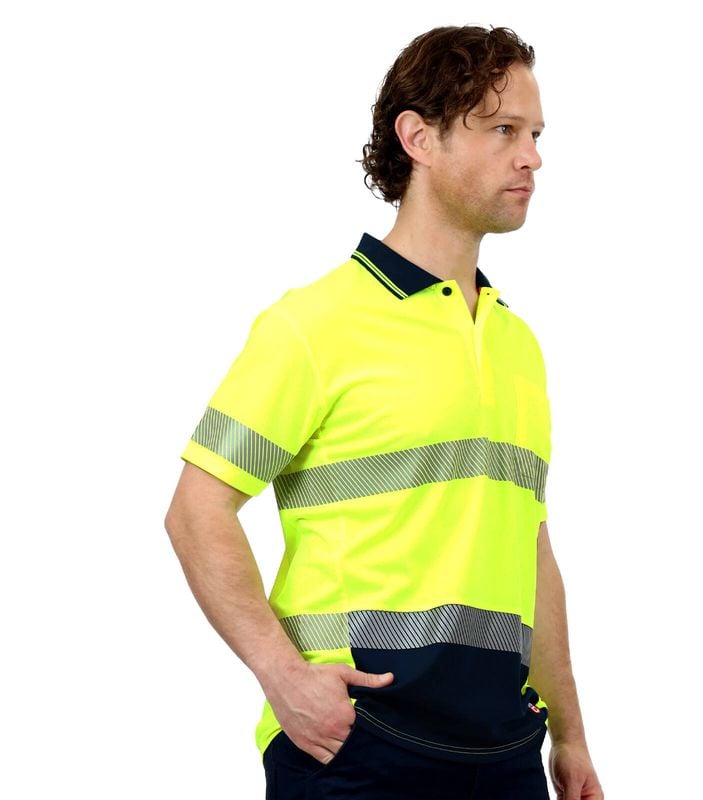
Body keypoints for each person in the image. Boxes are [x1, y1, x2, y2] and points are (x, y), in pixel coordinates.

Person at [165, 24, 603, 800]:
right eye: (503, 130)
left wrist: (569, 735)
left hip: (505, 753)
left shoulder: (518, 345)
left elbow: (528, 546)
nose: (531, 157)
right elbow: (197, 509)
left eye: (535, 134)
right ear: (418, 137)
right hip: (356, 749)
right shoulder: (313, 325)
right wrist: (282, 675)